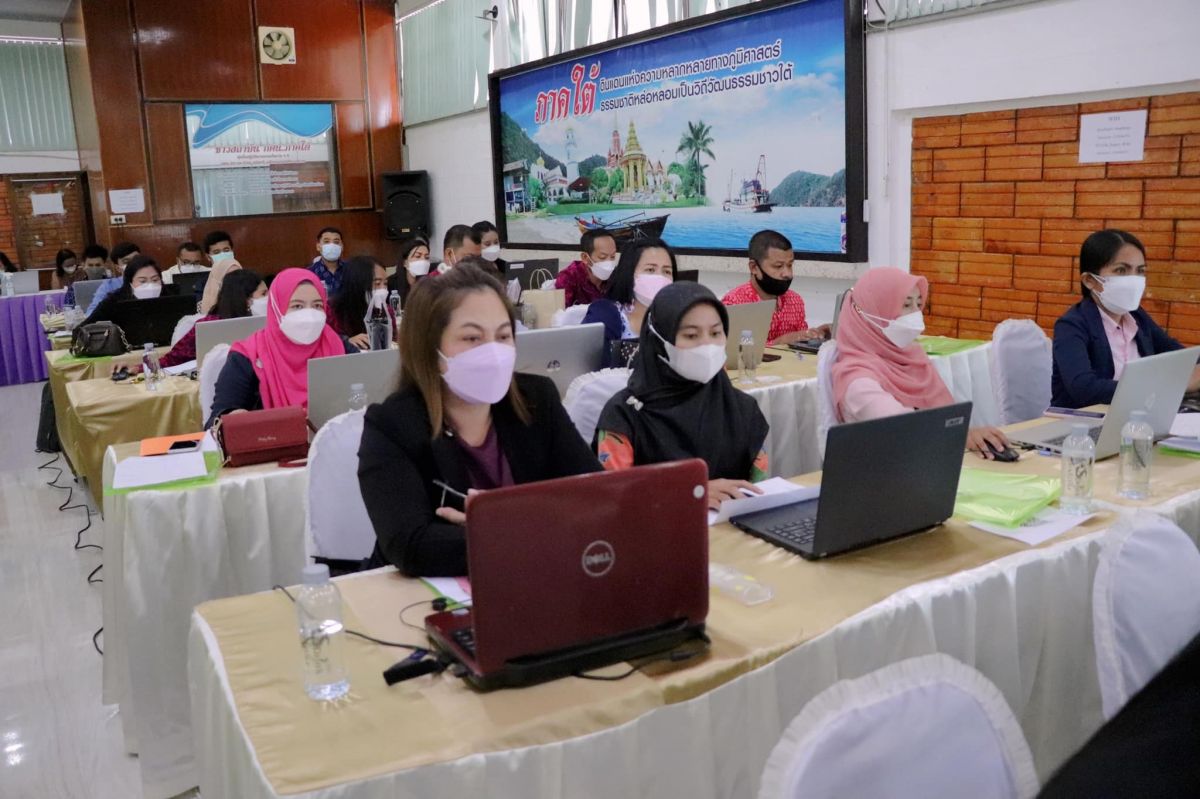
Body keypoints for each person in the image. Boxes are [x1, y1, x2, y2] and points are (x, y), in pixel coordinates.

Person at [357, 262, 600, 576]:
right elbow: (411, 544)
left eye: (503, 335)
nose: (493, 351)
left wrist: (500, 523)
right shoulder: (393, 424)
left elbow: (595, 496)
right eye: (472, 338)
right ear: (430, 349)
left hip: (535, 578)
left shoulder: (537, 399)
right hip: (427, 592)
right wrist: (529, 528)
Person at [595, 282, 770, 511]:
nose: (707, 345)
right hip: (655, 530)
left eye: (716, 333)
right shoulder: (624, 415)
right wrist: (688, 493)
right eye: (691, 335)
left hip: (731, 530)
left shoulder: (742, 408)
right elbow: (611, 499)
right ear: (659, 340)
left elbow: (759, 492)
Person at [831, 267, 1011, 459]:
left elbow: (946, 419)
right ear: (872, 312)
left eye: (918, 304)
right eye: (906, 305)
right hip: (888, 468)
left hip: (929, 460)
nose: (916, 314)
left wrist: (967, 435)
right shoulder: (857, 379)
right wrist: (962, 436)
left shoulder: (913, 360)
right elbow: (905, 427)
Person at [1051, 229, 1199, 408]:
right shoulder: (1072, 325)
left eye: (1140, 271)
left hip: (1137, 414)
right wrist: (1164, 386)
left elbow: (1180, 357)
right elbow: (1084, 388)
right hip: (1080, 421)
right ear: (1089, 280)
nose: (1133, 280)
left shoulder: (1137, 317)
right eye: (1121, 270)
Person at [207, 269, 356, 427]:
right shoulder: (246, 357)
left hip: (337, 438)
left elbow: (367, 391)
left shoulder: (338, 344)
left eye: (317, 305)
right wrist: (232, 419)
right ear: (277, 308)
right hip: (272, 440)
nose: (309, 314)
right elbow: (215, 423)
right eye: (297, 306)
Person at [722, 229, 830, 346]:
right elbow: (741, 350)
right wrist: (779, 342)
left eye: (790, 265)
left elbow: (800, 346)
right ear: (754, 268)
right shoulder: (735, 305)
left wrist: (815, 335)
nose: (788, 274)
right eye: (778, 266)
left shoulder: (795, 301)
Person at [582, 237, 675, 367]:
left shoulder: (677, 319)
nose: (660, 277)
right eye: (650, 270)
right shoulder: (604, 314)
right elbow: (587, 366)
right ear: (629, 273)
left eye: (667, 271)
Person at [160, 270, 267, 368]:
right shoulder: (209, 324)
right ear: (245, 299)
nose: (269, 297)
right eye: (264, 293)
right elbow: (172, 359)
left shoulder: (270, 322)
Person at [81, 254, 178, 327]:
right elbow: (85, 327)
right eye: (142, 281)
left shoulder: (172, 297)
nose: (150, 285)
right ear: (130, 282)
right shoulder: (114, 301)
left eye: (155, 280)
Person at [328, 255, 394, 349]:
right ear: (358, 283)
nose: (383, 289)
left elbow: (393, 341)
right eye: (377, 283)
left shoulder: (386, 311)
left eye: (385, 283)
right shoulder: (332, 311)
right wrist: (346, 342)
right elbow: (326, 342)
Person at [555, 229, 618, 307]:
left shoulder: (616, 276)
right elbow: (560, 311)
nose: (609, 262)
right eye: (602, 257)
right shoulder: (568, 278)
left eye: (612, 256)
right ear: (585, 257)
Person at [85, 241, 141, 314]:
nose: (133, 264)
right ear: (118, 268)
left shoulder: (151, 280)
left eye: (136, 259)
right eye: (126, 262)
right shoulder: (109, 286)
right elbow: (92, 312)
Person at [386, 236, 431, 306]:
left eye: (427, 257)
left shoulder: (432, 284)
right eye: (418, 256)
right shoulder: (391, 284)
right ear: (405, 262)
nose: (423, 261)